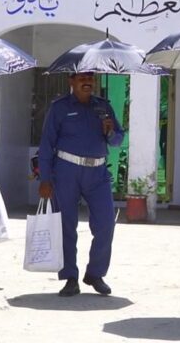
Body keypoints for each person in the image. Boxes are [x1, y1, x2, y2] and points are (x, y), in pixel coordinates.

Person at [38, 72, 124, 297]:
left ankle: (95, 273)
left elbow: (118, 140)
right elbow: (47, 144)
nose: (88, 82)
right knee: (67, 226)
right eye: (82, 78)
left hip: (97, 172)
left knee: (106, 224)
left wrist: (110, 130)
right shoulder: (60, 107)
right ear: (72, 82)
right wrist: (45, 178)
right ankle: (70, 278)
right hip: (67, 170)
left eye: (91, 78)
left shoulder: (103, 107)